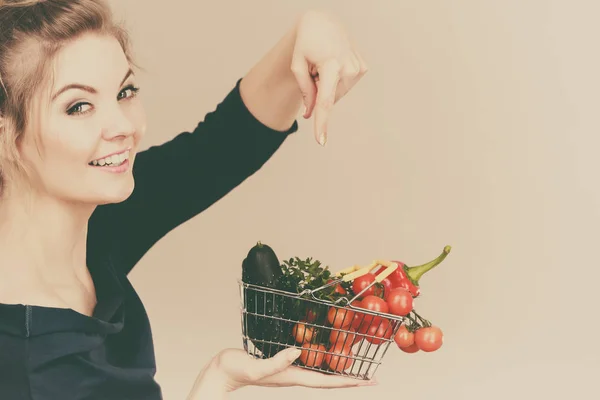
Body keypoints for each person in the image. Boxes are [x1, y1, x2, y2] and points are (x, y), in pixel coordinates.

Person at [0, 0, 373, 399]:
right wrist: (218, 383)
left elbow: (216, 152)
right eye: (79, 106)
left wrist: (311, 26)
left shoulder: (91, 224)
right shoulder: (29, 363)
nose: (124, 127)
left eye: (124, 91)